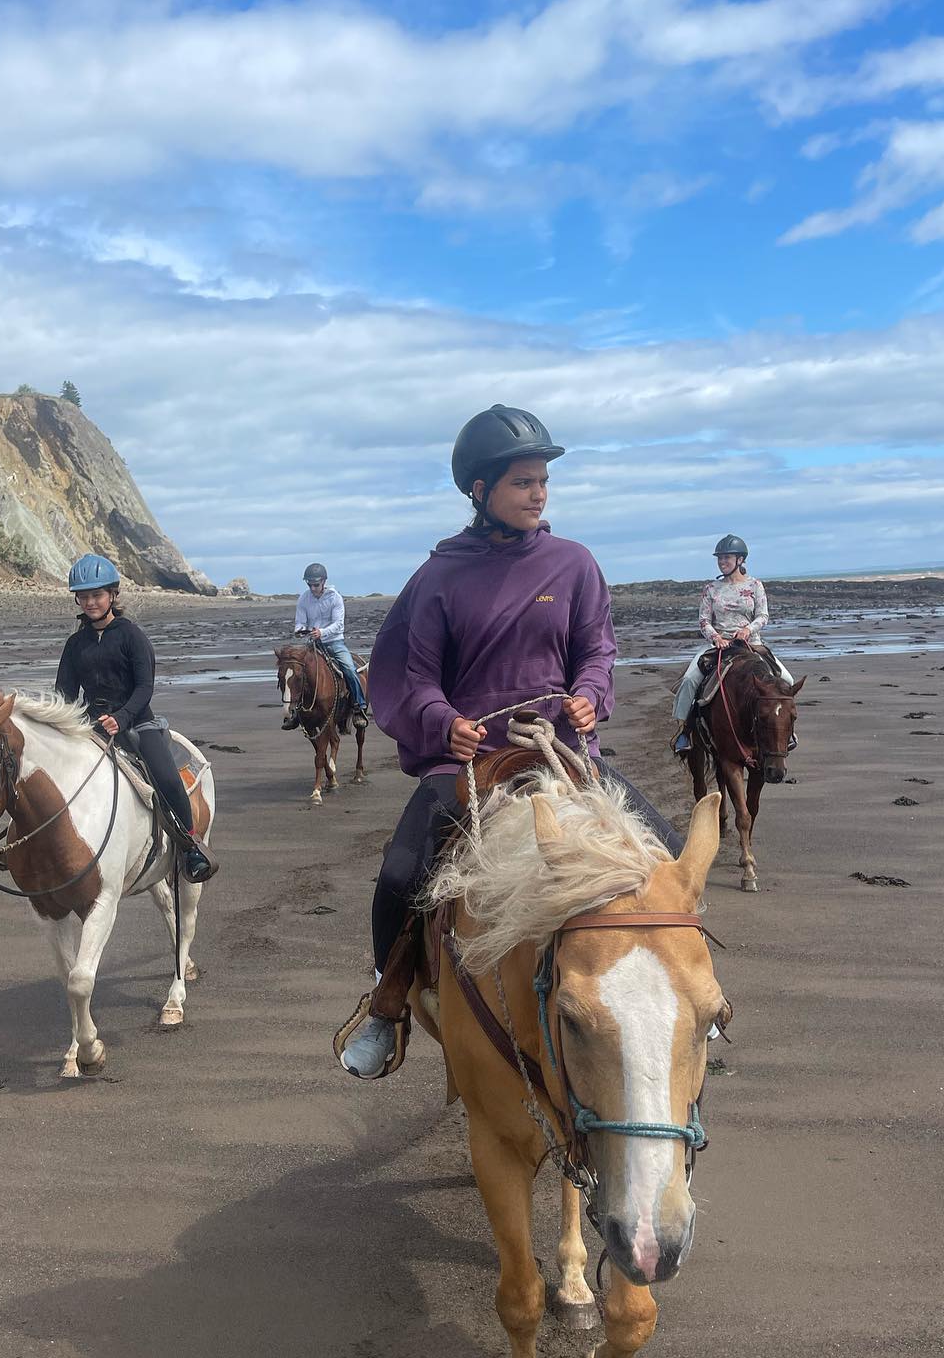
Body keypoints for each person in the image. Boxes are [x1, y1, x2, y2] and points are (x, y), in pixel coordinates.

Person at [338, 404, 681, 1080]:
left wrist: (589, 694)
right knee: (400, 877)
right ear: (479, 489)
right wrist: (444, 720)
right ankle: (387, 1002)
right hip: (471, 760)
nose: (538, 493)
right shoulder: (439, 576)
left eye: (542, 480)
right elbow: (412, 674)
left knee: (666, 853)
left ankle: (675, 1005)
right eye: (523, 481)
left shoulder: (574, 565)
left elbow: (597, 650)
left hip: (560, 753)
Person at [55, 553, 217, 883]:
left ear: (113, 595)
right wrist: (63, 723)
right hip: (90, 723)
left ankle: (190, 846)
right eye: (83, 596)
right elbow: (65, 694)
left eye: (97, 595)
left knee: (168, 778)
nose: (90, 602)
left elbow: (145, 687)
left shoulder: (131, 636)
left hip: (138, 720)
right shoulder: (75, 644)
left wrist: (123, 716)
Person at [672, 535, 795, 753]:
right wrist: (716, 637)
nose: (722, 562)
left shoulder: (755, 586)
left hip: (751, 644)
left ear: (740, 560)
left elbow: (763, 616)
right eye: (719, 558)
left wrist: (748, 630)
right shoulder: (711, 589)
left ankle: (788, 730)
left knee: (787, 679)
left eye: (726, 557)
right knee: (690, 680)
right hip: (719, 645)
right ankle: (684, 731)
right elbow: (703, 620)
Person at [284, 562, 368, 728]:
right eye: (310, 584)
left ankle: (359, 706)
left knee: (349, 668)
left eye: (316, 584)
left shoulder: (335, 597)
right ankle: (296, 713)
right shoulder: (303, 598)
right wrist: (300, 630)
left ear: (323, 581)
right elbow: (300, 622)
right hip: (312, 642)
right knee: (297, 671)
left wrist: (322, 632)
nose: (313, 588)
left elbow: (338, 624)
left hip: (334, 641)